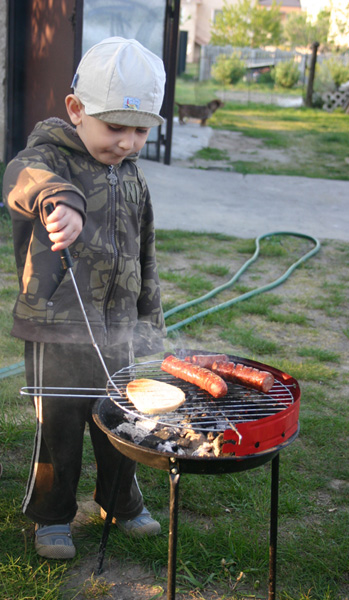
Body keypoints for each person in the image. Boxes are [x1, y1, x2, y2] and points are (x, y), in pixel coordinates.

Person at [3, 37, 167, 560]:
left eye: (140, 130)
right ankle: (52, 515)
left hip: (117, 326)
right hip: (58, 327)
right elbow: (20, 178)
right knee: (62, 424)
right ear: (76, 110)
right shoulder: (48, 155)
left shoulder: (133, 176)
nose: (127, 142)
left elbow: (146, 255)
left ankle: (119, 499)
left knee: (124, 414)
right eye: (114, 127)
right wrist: (60, 198)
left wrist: (149, 319)